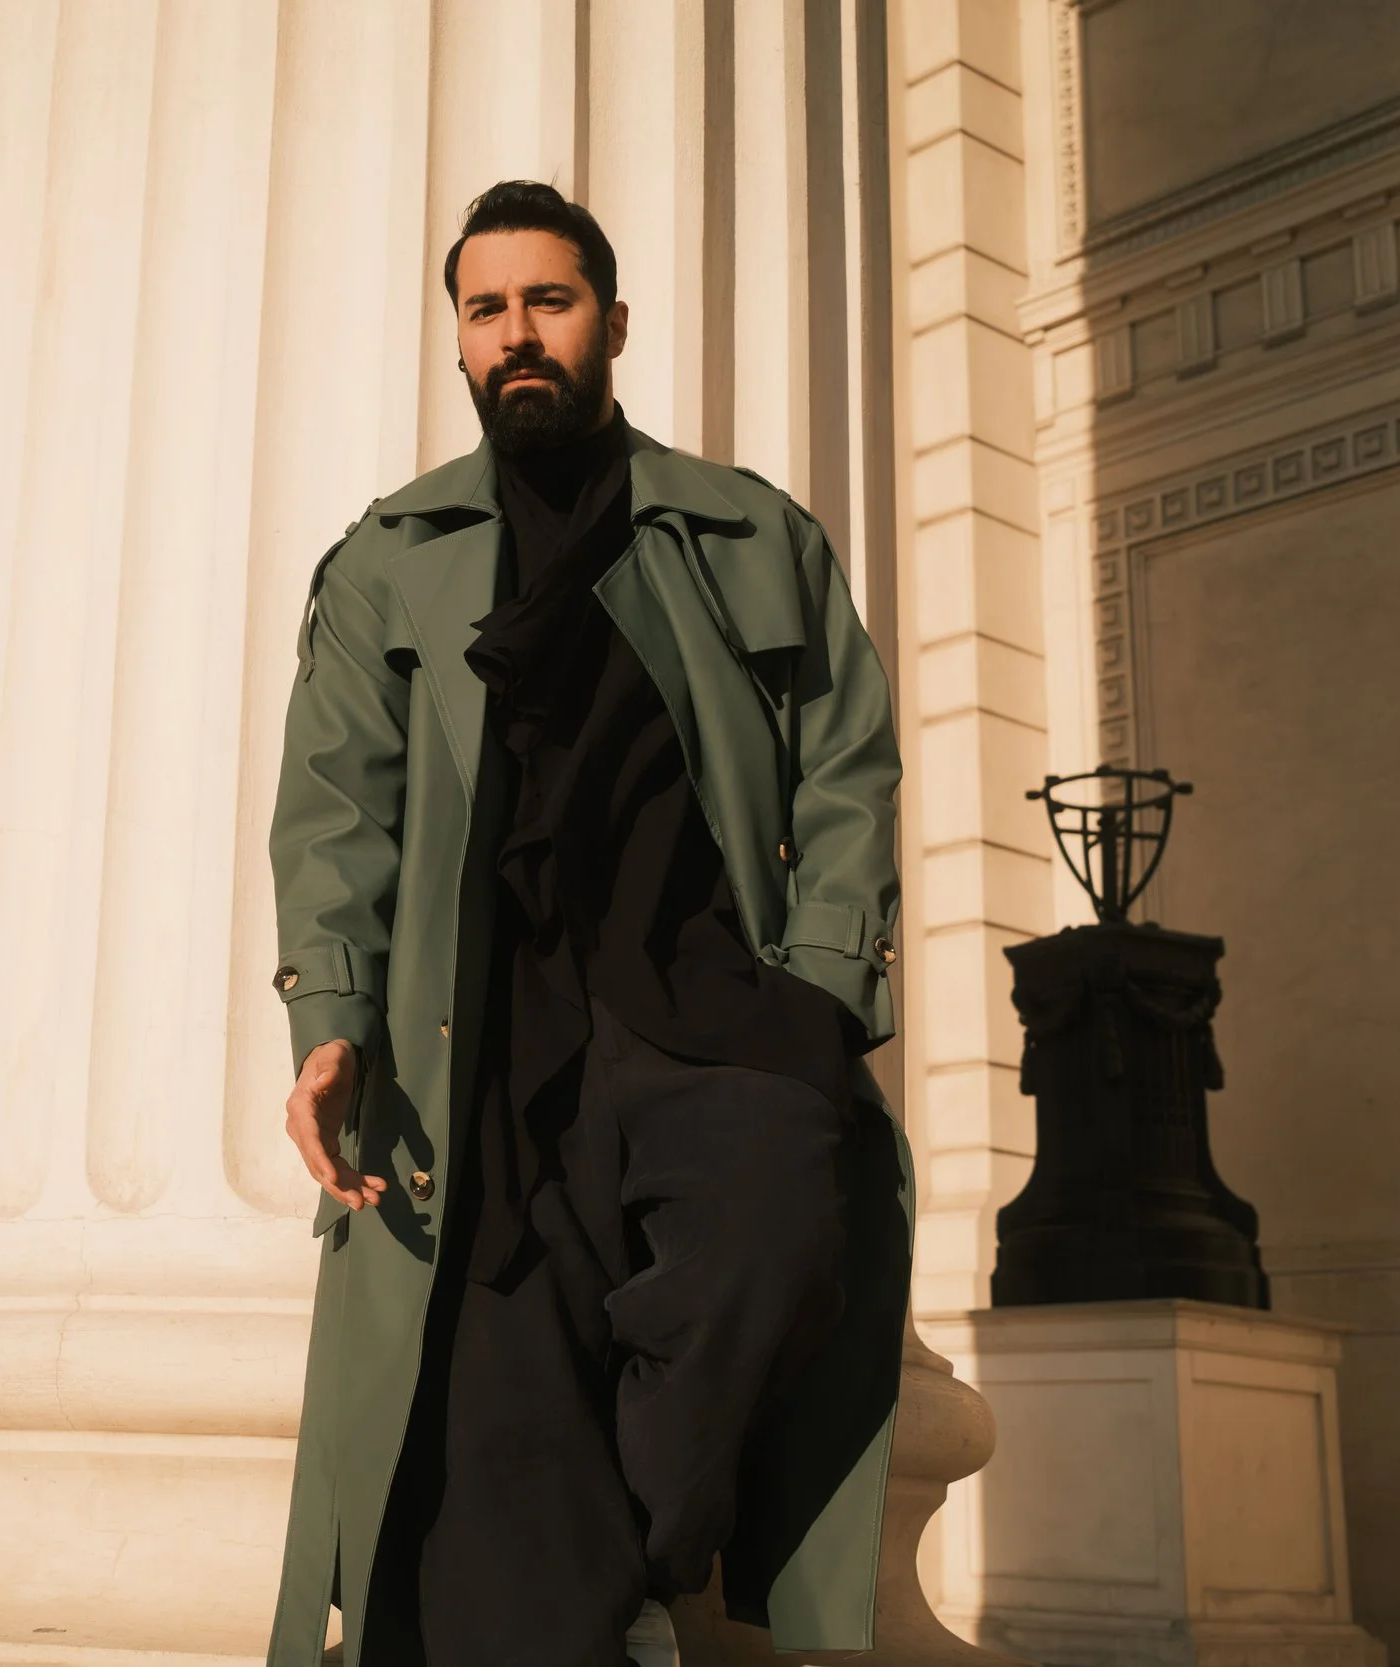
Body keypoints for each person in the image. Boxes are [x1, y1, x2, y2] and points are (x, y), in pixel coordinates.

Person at [262, 181, 912, 1667]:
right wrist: (332, 1023)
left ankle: (639, 1547)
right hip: (482, 1035)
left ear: (610, 323)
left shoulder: (748, 530)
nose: (518, 336)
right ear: (464, 340)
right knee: (491, 1439)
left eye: (547, 302)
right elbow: (335, 812)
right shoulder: (387, 560)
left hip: (715, 1005)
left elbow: (847, 766)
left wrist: (819, 993)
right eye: (486, 311)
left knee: (783, 1236)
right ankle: (586, 1600)